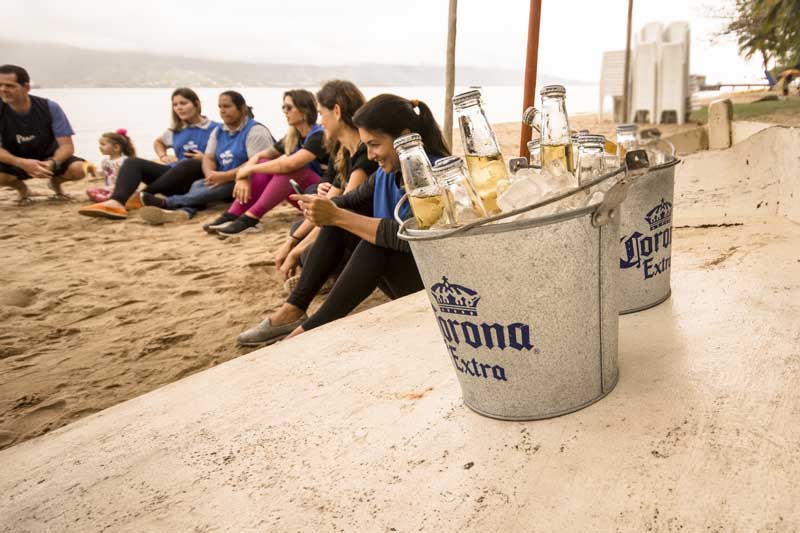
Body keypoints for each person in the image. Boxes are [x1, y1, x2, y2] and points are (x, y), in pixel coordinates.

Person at [236, 94, 450, 346]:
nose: (370, 155)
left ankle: (308, 330)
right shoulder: (385, 174)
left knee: (374, 245)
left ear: (403, 136)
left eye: (375, 144)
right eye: (366, 146)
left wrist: (337, 215)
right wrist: (322, 207)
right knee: (340, 224)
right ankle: (293, 309)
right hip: (410, 279)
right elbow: (350, 201)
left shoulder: (434, 174)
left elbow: (410, 237)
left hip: (440, 289)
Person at [273, 80, 378, 281]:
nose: (320, 121)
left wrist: (296, 250)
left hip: (365, 231)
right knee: (298, 231)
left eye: (321, 113)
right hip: (345, 223)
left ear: (336, 111)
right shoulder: (342, 150)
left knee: (310, 249)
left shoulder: (365, 152)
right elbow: (329, 202)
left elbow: (337, 211)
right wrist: (291, 241)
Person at [137, 90, 275, 224]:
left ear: (242, 108)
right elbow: (208, 157)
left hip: (249, 180)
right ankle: (185, 211)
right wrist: (210, 175)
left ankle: (166, 203)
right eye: (220, 107)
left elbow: (257, 163)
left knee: (222, 186)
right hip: (225, 178)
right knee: (199, 184)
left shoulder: (255, 131)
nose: (222, 111)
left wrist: (225, 176)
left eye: (227, 106)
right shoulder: (219, 131)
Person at [78, 87, 218, 219]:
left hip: (197, 179)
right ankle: (117, 202)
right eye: (175, 105)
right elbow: (158, 142)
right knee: (132, 162)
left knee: (191, 163)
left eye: (183, 103)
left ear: (196, 104)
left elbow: (229, 157)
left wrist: (205, 158)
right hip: (171, 178)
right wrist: (163, 155)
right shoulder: (176, 130)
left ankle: (142, 195)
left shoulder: (215, 128)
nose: (179, 108)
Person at [204, 89, 327, 235]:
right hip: (303, 195)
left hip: (323, 195)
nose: (285, 112)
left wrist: (249, 170)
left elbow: (290, 164)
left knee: (292, 170)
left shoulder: (318, 136)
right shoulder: (293, 136)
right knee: (264, 161)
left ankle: (250, 219)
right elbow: (260, 156)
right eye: (283, 108)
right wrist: (243, 176)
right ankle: (233, 215)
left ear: (304, 110)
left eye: (289, 107)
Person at [0, 64, 86, 204]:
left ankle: (55, 183)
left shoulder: (49, 107)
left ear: (26, 87)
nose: (3, 89)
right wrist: (21, 163)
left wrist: (52, 163)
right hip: (16, 160)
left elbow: (66, 146)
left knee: (79, 169)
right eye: (0, 85)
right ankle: (22, 189)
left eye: (9, 86)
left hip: (48, 158)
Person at [85, 128, 136, 203]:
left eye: (103, 144)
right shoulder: (104, 161)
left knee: (110, 195)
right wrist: (93, 171)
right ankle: (106, 198)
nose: (100, 147)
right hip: (108, 188)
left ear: (116, 147)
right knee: (90, 190)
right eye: (100, 144)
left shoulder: (124, 161)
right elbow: (103, 174)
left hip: (121, 190)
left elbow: (129, 178)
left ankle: (110, 199)